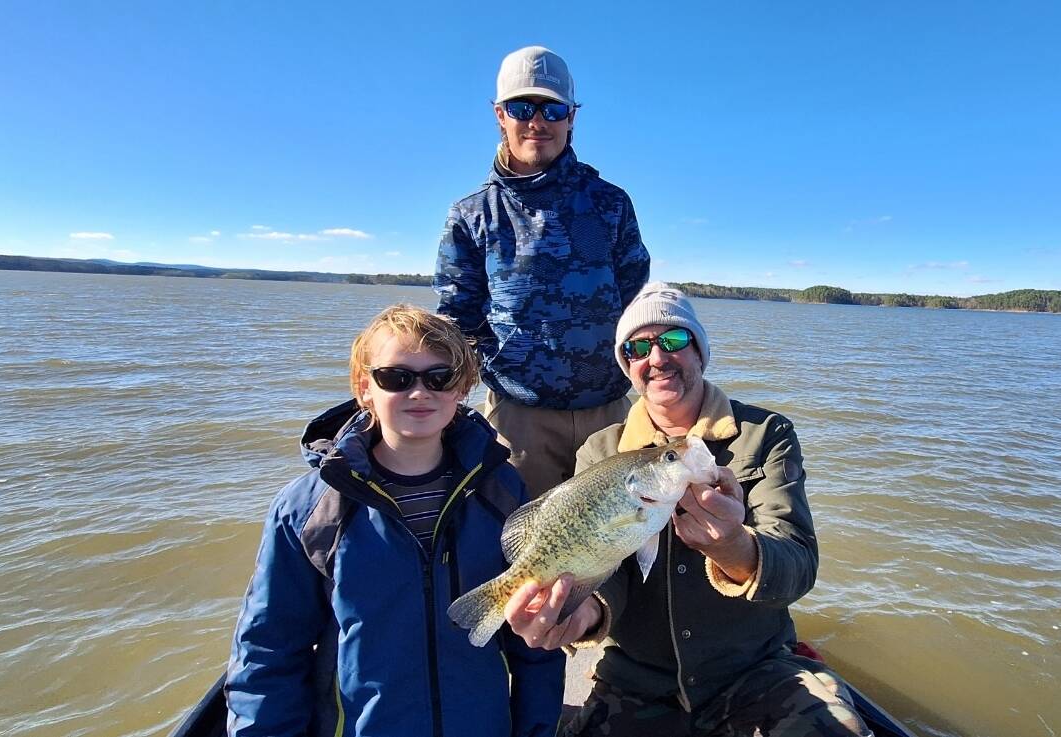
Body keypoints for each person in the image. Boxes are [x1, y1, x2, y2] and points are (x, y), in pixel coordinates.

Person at [506, 284, 873, 736]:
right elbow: (610, 566)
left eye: (674, 341)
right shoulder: (600, 452)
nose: (656, 357)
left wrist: (736, 548)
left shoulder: (765, 434)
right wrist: (584, 614)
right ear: (627, 367)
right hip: (637, 681)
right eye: (637, 348)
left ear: (700, 352)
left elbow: (798, 565)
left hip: (754, 673)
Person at [224, 304, 563, 737]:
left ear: (461, 388)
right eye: (396, 378)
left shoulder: (501, 490)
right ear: (365, 388)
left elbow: (533, 642)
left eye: (438, 377)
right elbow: (268, 651)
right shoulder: (309, 509)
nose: (419, 392)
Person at [435, 45, 650, 497]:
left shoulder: (611, 203)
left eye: (553, 108)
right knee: (524, 547)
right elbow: (457, 318)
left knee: (617, 551)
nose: (538, 121)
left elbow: (634, 298)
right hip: (518, 419)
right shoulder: (472, 214)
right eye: (522, 107)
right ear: (499, 115)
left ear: (572, 117)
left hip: (609, 413)